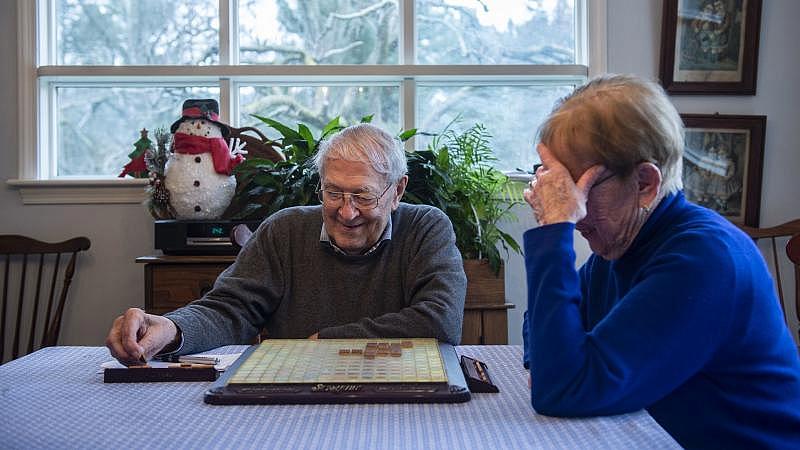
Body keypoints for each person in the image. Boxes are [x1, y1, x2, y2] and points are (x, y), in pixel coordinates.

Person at [521, 74, 800, 448]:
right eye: (559, 189)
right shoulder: (622, 246)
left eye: (575, 186)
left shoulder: (703, 259)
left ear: (644, 184)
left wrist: (553, 227)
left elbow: (564, 390)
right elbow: (545, 332)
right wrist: (546, 363)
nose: (572, 209)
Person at [106, 123, 467, 364]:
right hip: (295, 398)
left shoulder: (426, 228)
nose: (347, 211)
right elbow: (230, 309)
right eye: (333, 192)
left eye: (363, 195)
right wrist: (172, 329)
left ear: (397, 191)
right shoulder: (285, 229)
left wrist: (326, 342)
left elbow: (439, 321)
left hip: (399, 397)